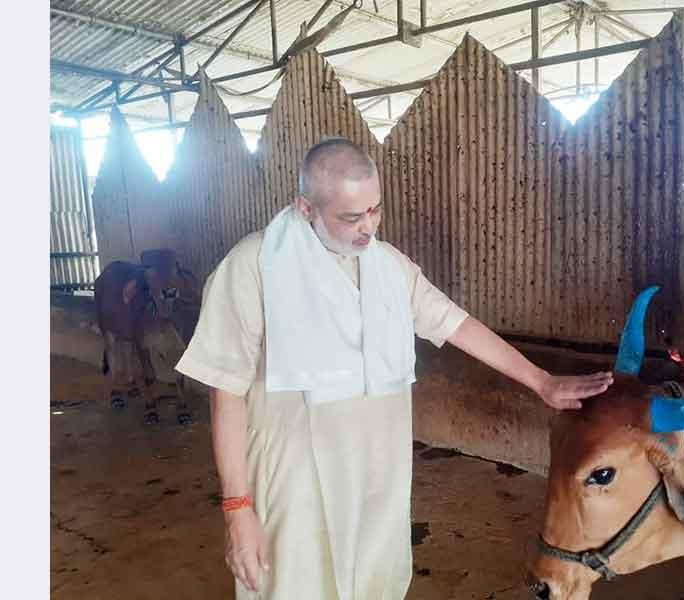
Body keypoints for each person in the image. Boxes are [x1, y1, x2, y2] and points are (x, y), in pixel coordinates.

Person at [175, 137, 614, 600]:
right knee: (294, 585)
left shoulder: (387, 267)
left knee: (374, 584)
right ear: (305, 207)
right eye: (350, 217)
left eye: (375, 210)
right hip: (293, 486)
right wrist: (237, 510)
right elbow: (225, 391)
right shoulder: (254, 266)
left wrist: (540, 381)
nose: (368, 229)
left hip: (376, 483)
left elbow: (455, 322)